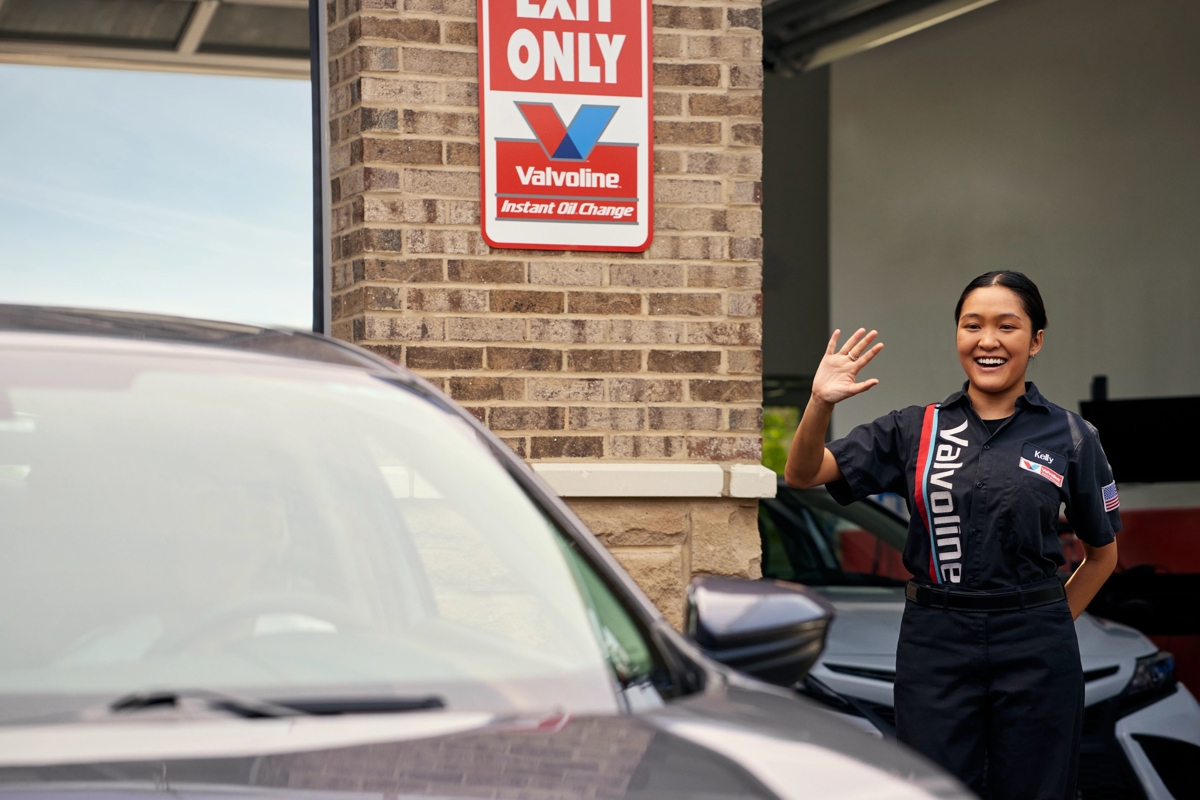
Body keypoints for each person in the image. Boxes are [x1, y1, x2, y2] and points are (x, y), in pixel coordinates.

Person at [785, 271, 1120, 800]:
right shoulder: (913, 429)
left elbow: (1102, 556)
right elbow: (803, 473)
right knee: (933, 790)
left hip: (1036, 645)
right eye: (972, 325)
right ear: (958, 335)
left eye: (1006, 326)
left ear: (1035, 341)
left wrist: (1047, 624)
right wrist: (820, 402)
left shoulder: (1072, 437)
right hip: (935, 641)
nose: (988, 340)